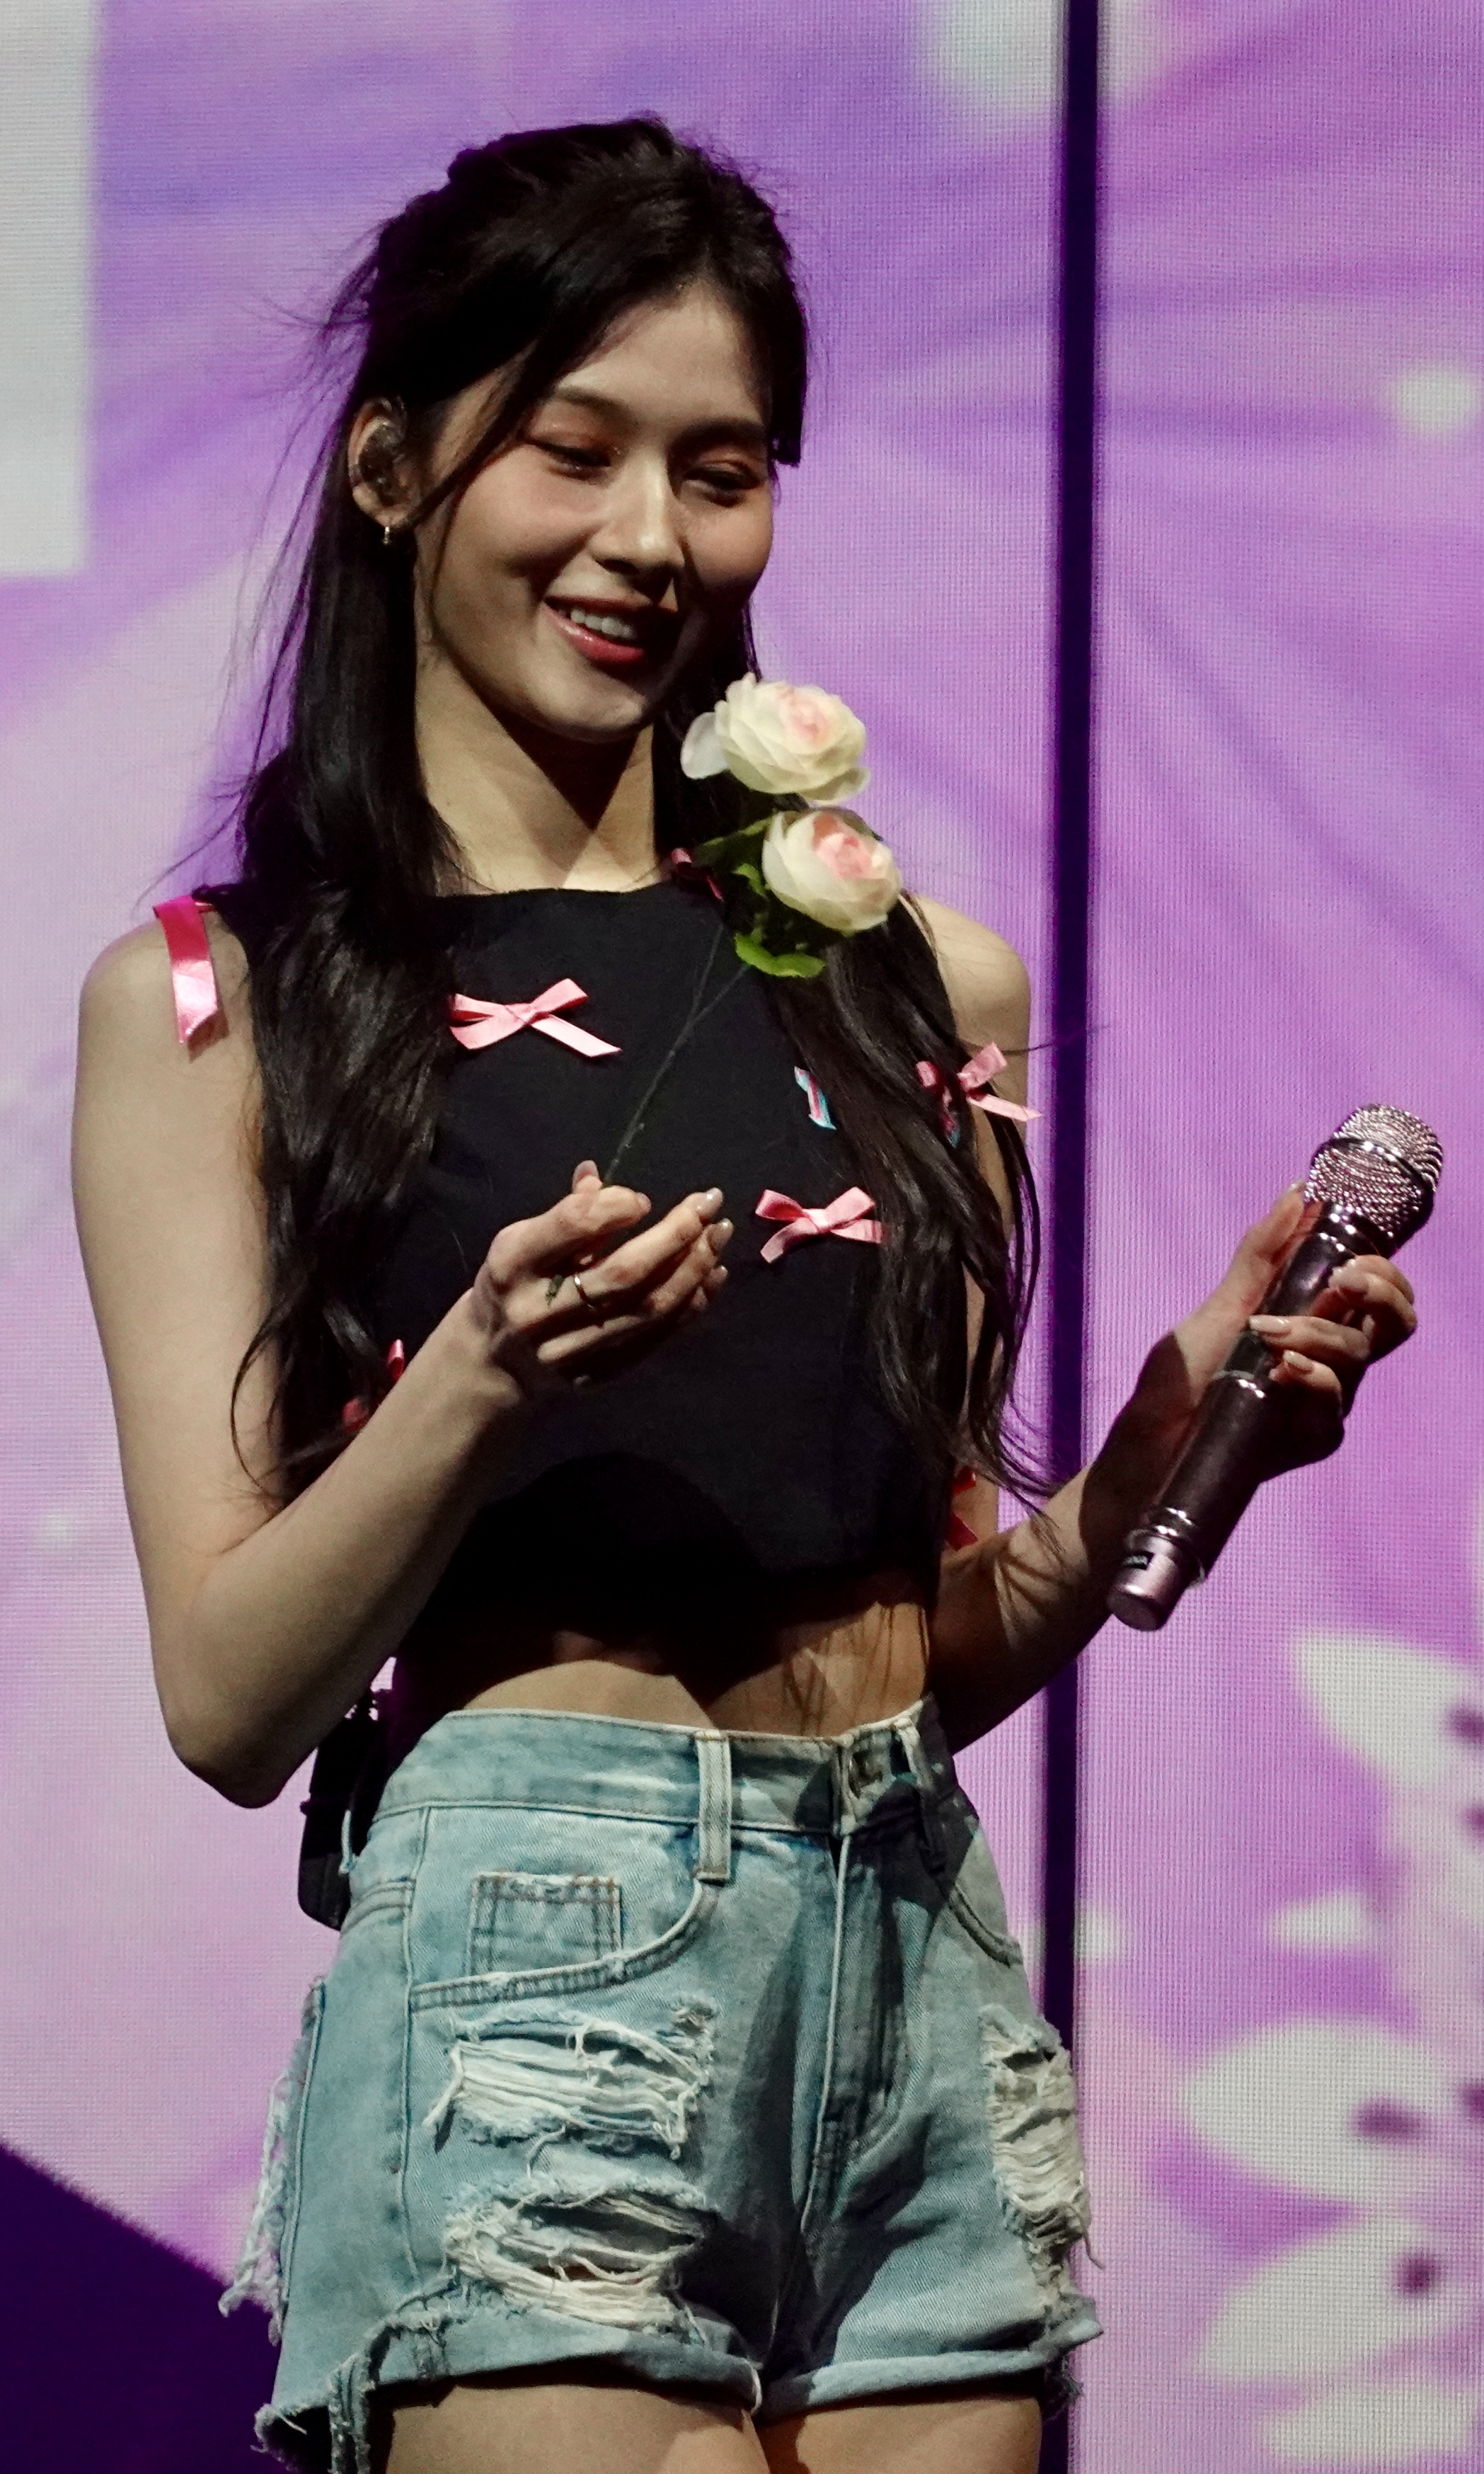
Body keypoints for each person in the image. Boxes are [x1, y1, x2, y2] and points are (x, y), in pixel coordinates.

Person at [71, 118, 1417, 2474]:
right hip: (535, 1975)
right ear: (390, 468)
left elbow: (927, 1644)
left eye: (721, 472)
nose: (648, 538)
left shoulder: (918, 984)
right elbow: (230, 1699)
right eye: (570, 450)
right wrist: (474, 1386)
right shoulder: (222, 1001)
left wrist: (1145, 1473)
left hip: (910, 1962)